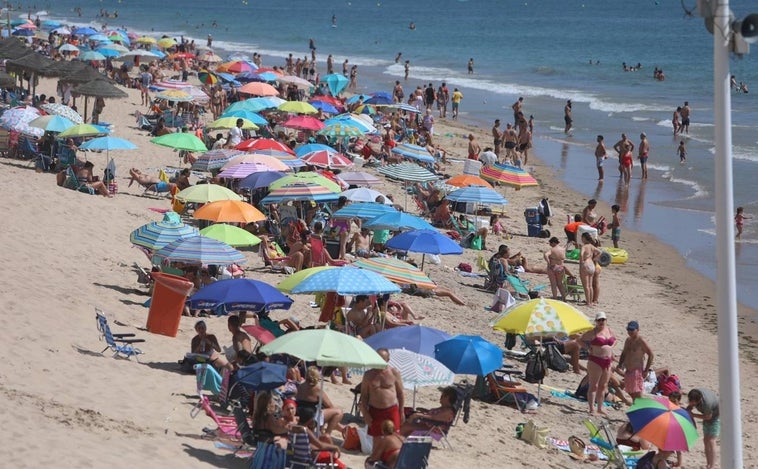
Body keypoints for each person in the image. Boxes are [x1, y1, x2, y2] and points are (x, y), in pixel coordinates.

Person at [360, 348, 405, 440]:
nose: (379, 361)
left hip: (391, 410)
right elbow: (364, 395)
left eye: (382, 359)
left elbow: (400, 393)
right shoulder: (368, 375)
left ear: (387, 360)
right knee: (376, 440)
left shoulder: (394, 373)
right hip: (375, 411)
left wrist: (401, 411)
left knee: (394, 438)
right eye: (377, 358)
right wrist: (365, 413)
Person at [581, 311, 616, 416]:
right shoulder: (593, 332)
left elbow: (615, 340)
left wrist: (611, 348)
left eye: (603, 320)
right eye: (599, 320)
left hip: (607, 361)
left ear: (606, 320)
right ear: (596, 321)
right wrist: (588, 348)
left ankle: (600, 408)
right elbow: (579, 339)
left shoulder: (609, 330)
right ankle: (592, 408)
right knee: (594, 386)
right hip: (595, 360)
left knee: (603, 386)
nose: (601, 322)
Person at [294, 366, 345, 436]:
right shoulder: (316, 389)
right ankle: (327, 435)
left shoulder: (300, 386)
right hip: (311, 418)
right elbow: (330, 406)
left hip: (299, 415)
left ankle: (335, 428)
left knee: (322, 409)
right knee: (338, 412)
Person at [617, 320, 654, 400]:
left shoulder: (641, 341)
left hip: (636, 371)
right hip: (628, 371)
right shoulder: (628, 340)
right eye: (628, 330)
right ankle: (636, 408)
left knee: (637, 394)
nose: (630, 332)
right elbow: (624, 353)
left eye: (632, 330)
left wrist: (646, 370)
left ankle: (641, 410)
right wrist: (620, 364)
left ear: (637, 330)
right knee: (630, 392)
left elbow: (651, 355)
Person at [687, 388, 719, 469]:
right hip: (707, 416)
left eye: (693, 402)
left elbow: (708, 417)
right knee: (705, 440)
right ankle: (708, 464)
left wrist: (693, 415)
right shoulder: (694, 395)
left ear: (699, 400)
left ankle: (712, 466)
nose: (692, 403)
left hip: (716, 416)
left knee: (711, 441)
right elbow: (690, 406)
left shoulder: (707, 403)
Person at [579, 232, 602, 305]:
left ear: (584, 238)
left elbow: (581, 253)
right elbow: (600, 252)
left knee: (586, 286)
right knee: (590, 286)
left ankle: (588, 302)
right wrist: (594, 258)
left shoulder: (584, 246)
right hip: (592, 265)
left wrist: (582, 261)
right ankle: (591, 302)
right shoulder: (592, 246)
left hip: (586, 264)